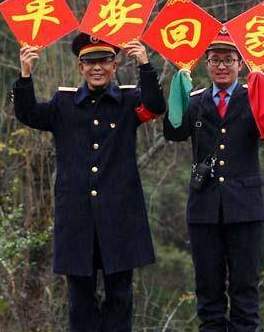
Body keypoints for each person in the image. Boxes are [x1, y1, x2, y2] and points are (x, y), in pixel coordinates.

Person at [14, 32, 167, 332]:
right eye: (90, 62)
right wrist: (25, 73)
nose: (97, 67)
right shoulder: (64, 103)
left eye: (104, 61)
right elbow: (28, 113)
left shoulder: (128, 100)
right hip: (77, 218)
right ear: (80, 67)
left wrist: (145, 64)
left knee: (120, 299)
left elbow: (156, 106)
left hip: (120, 218)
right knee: (80, 302)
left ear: (114, 64)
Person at [162, 28, 264, 332]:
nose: (222, 66)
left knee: (245, 289)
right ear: (206, 63)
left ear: (240, 64)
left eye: (228, 60)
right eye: (216, 60)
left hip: (244, 208)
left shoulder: (251, 97)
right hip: (205, 208)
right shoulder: (196, 101)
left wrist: (263, 93)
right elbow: (174, 132)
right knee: (208, 290)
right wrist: (176, 94)